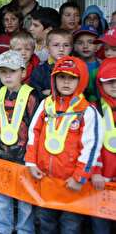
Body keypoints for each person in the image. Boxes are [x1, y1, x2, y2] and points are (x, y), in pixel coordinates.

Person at [25, 56, 103, 234]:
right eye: (61, 77)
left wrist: (79, 177)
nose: (66, 82)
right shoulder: (46, 104)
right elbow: (33, 132)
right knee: (46, 222)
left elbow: (92, 147)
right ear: (53, 79)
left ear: (81, 80)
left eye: (72, 78)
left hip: (71, 184)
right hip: (46, 180)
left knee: (71, 225)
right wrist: (31, 162)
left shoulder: (87, 111)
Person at [0, 50, 39, 234]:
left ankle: (25, 230)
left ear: (23, 72)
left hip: (24, 157)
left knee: (25, 198)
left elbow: (37, 128)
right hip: (1, 155)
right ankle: (3, 228)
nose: (7, 75)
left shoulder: (33, 97)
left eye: (12, 71)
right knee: (1, 196)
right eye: (2, 71)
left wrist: (33, 158)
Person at [91, 58, 116, 234]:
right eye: (110, 82)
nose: (115, 86)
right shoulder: (94, 108)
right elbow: (89, 143)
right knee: (101, 223)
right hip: (101, 178)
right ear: (100, 83)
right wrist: (95, 172)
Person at [30, 29, 73, 100]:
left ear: (71, 48)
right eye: (56, 45)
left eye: (66, 45)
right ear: (47, 48)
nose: (61, 49)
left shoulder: (76, 68)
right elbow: (35, 95)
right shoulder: (40, 71)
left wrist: (49, 92)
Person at [73, 26, 101, 102]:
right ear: (74, 47)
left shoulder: (103, 66)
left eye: (90, 42)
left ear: (98, 46)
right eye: (80, 43)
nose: (85, 46)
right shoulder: (72, 66)